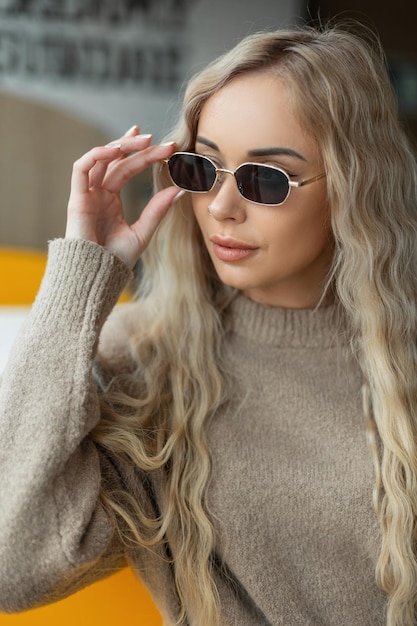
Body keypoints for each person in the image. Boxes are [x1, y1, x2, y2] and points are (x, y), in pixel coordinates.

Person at [0, 22, 416, 626]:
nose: (221, 207)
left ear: (353, 188)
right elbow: (11, 563)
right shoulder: (144, 360)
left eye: (265, 179)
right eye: (202, 169)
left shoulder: (402, 356)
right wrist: (80, 279)